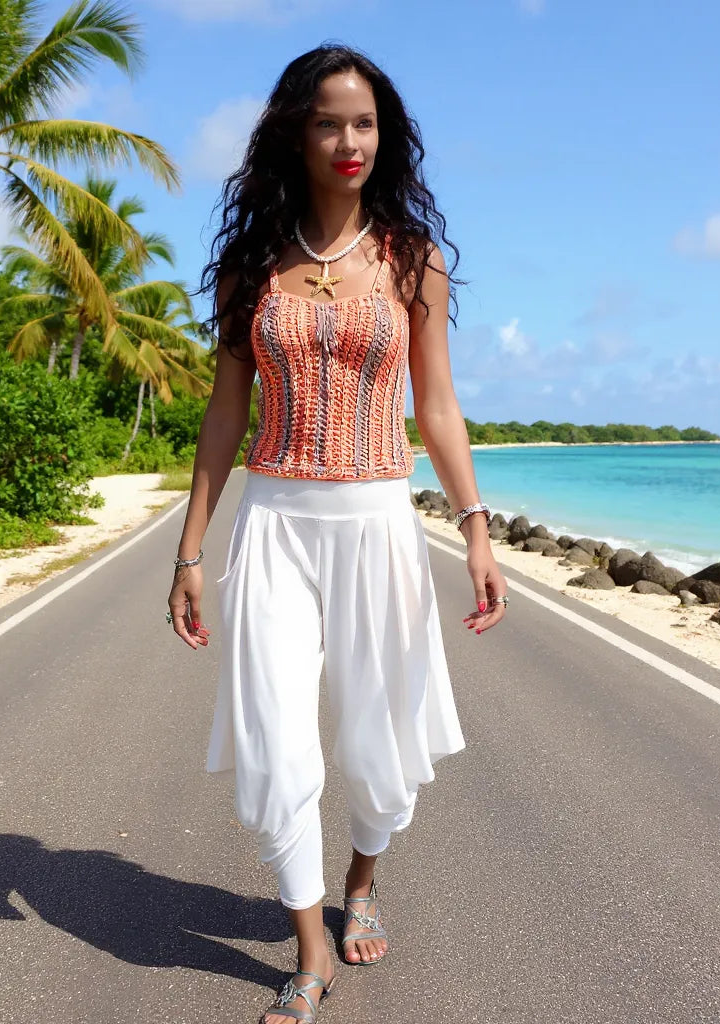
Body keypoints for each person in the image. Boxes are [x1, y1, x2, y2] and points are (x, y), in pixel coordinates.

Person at [167, 44, 508, 1024]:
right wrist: (189, 551)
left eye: (364, 123)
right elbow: (223, 419)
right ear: (295, 132)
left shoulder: (412, 260)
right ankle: (309, 945)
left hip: (376, 527)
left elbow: (437, 408)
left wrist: (475, 531)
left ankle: (360, 878)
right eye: (329, 121)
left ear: (383, 136)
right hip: (273, 524)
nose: (349, 140)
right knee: (279, 745)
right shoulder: (251, 268)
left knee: (377, 741)